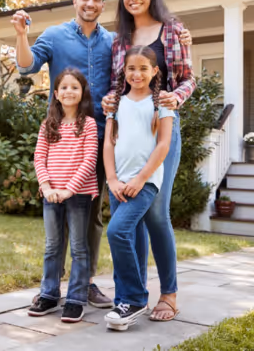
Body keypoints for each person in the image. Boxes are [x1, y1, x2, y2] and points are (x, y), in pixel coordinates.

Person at [12, 0, 192, 308]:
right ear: (74, 0)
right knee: (67, 214)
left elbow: (172, 75)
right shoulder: (62, 36)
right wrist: (22, 35)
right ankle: (55, 288)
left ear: (104, 4)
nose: (90, 4)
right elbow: (26, 65)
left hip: (121, 134)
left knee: (100, 215)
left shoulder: (122, 39)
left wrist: (181, 58)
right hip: (76, 137)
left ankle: (92, 283)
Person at [102, 0, 196, 322]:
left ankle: (169, 295)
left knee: (156, 213)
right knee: (132, 215)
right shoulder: (119, 38)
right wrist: (110, 103)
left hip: (161, 125)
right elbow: (117, 84)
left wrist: (175, 97)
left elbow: (188, 79)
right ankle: (134, 295)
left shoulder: (172, 29)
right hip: (128, 129)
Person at [103, 45, 174, 331]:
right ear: (124, 70)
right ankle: (124, 303)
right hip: (118, 182)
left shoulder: (162, 104)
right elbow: (109, 143)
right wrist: (112, 180)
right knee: (126, 237)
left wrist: (141, 178)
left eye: (144, 68)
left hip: (143, 183)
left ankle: (134, 298)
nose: (137, 73)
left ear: (155, 71)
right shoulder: (115, 104)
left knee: (117, 231)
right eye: (131, 68)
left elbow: (164, 145)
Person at [28, 68, 99, 323]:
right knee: (52, 246)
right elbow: (39, 157)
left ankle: (76, 299)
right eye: (64, 87)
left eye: (75, 87)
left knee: (79, 247)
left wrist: (70, 188)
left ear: (82, 93)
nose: (69, 91)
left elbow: (90, 159)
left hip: (78, 194)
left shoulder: (88, 124)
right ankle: (48, 294)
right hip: (51, 194)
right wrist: (46, 187)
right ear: (56, 94)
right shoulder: (49, 124)